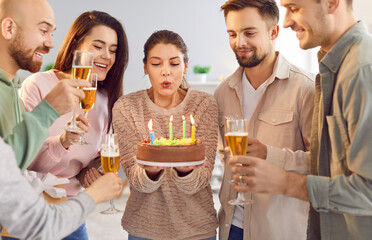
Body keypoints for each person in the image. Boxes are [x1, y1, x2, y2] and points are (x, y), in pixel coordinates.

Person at [229, 0, 372, 239]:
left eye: (294, 8)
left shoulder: (361, 71)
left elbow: (367, 191)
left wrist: (286, 182)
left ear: (331, 3)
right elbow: (326, 168)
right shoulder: (333, 69)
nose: (285, 22)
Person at [18, 10, 129, 240]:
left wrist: (90, 173)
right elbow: (24, 158)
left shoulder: (106, 99)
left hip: (72, 213)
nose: (106, 56)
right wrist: (63, 141)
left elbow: (96, 155)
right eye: (98, 46)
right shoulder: (37, 85)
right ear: (76, 44)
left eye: (113, 50)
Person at [214, 0, 315, 239]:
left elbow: (324, 166)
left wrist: (270, 155)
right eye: (232, 34)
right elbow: (224, 155)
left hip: (280, 231)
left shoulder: (306, 89)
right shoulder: (222, 93)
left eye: (249, 33)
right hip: (231, 228)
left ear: (274, 32)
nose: (239, 43)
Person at [112, 30, 218, 240]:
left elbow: (201, 178)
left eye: (174, 63)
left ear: (186, 66)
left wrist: (185, 169)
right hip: (144, 228)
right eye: (156, 63)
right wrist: (150, 172)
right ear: (145, 67)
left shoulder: (204, 104)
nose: (166, 72)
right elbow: (136, 180)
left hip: (197, 229)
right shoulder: (126, 107)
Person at [0, 0, 90, 171]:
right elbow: (4, 170)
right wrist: (48, 110)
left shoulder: (12, 88)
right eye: (43, 31)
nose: (51, 44)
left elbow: (20, 164)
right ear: (9, 28)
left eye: (52, 34)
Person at [0, 137, 123, 240]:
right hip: (32, 204)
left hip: (71, 207)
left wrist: (92, 174)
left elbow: (87, 166)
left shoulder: (106, 110)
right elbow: (40, 225)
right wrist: (95, 194)